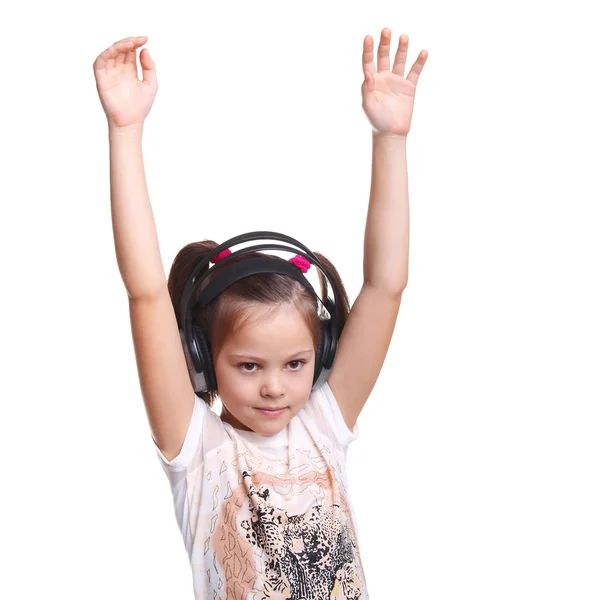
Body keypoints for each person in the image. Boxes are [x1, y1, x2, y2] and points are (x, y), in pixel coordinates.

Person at [93, 28, 427, 600]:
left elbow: (385, 286)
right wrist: (125, 130)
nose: (275, 387)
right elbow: (146, 292)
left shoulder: (324, 427)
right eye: (249, 366)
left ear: (320, 355)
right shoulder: (198, 451)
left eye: (295, 364)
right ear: (201, 359)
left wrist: (388, 138)